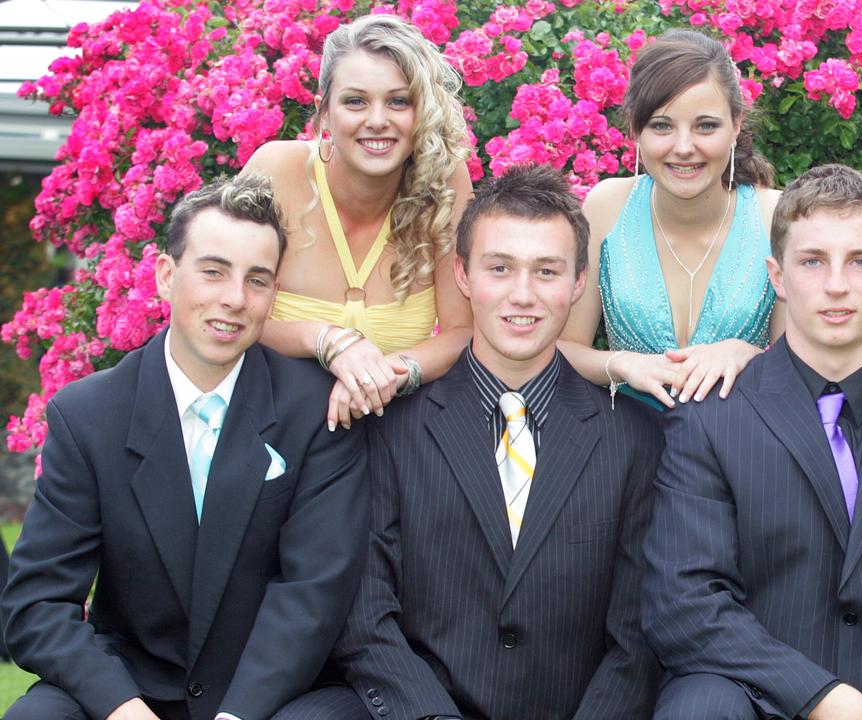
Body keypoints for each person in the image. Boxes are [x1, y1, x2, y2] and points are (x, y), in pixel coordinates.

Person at [273, 165, 663, 720]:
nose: (521, 295)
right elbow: (365, 615)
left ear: (578, 283)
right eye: (499, 268)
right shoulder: (390, 428)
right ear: (461, 274)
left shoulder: (632, 440)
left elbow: (637, 636)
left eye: (546, 271)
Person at [1, 175, 368, 720]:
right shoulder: (87, 416)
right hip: (133, 688)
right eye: (213, 271)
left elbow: (313, 593)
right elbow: (37, 606)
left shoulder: (317, 412)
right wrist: (120, 708)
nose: (234, 300)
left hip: (272, 694)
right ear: (166, 276)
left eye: (257, 280)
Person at [644, 164, 862, 720]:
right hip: (763, 698)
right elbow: (685, 603)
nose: (836, 284)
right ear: (777, 277)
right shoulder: (711, 418)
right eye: (813, 261)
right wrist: (827, 700)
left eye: (860, 262)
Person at [242, 14, 473, 430]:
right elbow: (225, 307)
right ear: (324, 113)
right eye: (355, 101)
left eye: (399, 101)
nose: (378, 120)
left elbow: (463, 331)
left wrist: (390, 373)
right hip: (270, 427)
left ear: (421, 112)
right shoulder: (276, 171)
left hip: (396, 431)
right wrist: (330, 341)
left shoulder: (445, 182)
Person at [560, 29, 782, 411]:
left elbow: (802, 369)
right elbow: (563, 349)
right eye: (662, 125)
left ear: (737, 124)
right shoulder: (607, 206)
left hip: (743, 451)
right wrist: (621, 363)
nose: (683, 147)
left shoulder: (774, 214)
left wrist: (747, 353)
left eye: (705, 126)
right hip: (626, 448)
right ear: (635, 128)